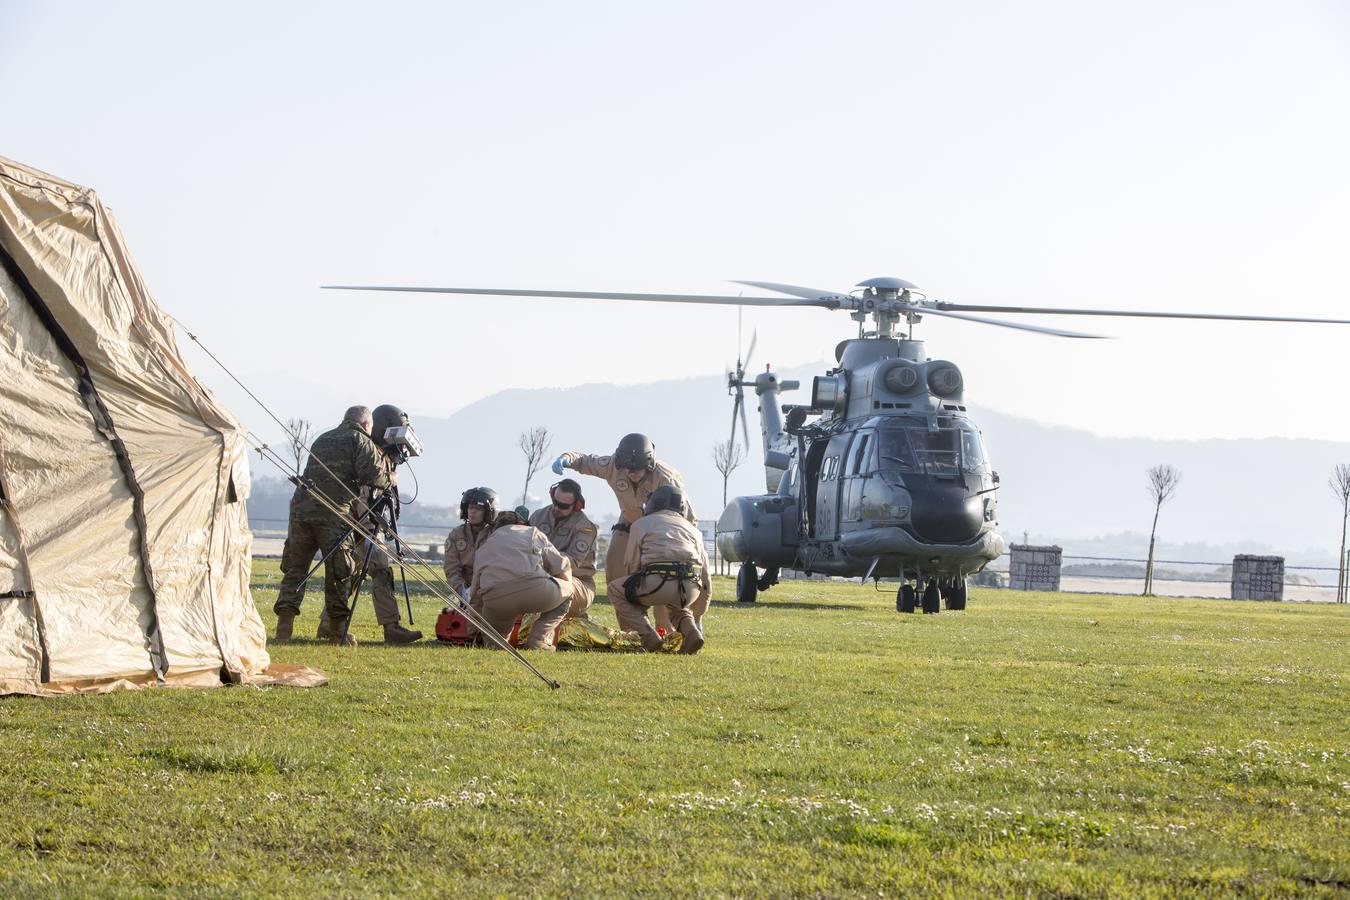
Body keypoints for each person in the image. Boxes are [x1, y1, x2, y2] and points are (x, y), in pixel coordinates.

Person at [551, 433, 697, 632]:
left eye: (636, 468)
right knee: (615, 575)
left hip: (661, 531)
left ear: (649, 465)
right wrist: (567, 459)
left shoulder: (666, 478)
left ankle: (667, 632)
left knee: (662, 577)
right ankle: (633, 632)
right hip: (628, 523)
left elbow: (686, 517)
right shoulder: (612, 466)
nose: (630, 472)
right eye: (626, 467)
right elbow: (586, 461)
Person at [274, 405, 391, 645]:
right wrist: (390, 476)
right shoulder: (361, 440)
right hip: (333, 512)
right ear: (367, 425)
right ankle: (337, 631)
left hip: (301, 510)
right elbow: (373, 477)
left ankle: (283, 629)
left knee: (295, 570)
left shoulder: (322, 438)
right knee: (339, 571)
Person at [618, 484, 710, 654]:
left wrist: (634, 591)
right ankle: (692, 632)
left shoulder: (641, 524)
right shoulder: (694, 530)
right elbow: (705, 572)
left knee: (615, 590)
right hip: (691, 586)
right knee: (677, 603)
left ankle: (648, 636)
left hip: (657, 581)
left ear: (653, 503)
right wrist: (701, 605)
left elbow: (631, 563)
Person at [469, 510, 574, 650]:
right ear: (522, 524)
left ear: (494, 528)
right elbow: (560, 565)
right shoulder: (532, 532)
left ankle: (495, 645)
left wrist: (473, 629)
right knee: (568, 591)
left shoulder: (484, 547)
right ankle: (538, 640)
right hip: (534, 590)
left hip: (496, 599)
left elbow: (475, 594)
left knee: (495, 645)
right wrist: (563, 583)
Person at [528, 478, 599, 619]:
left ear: (577, 505)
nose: (556, 508)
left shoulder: (585, 528)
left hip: (577, 581)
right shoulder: (538, 516)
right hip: (538, 575)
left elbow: (570, 563)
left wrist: (541, 552)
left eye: (563, 506)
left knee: (552, 588)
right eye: (555, 502)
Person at [443, 487, 496, 600]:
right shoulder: (456, 535)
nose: (473, 511)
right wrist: (463, 592)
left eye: (478, 508)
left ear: (488, 512)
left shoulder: (496, 536)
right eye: (470, 507)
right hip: (463, 591)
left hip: (490, 592)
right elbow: (451, 569)